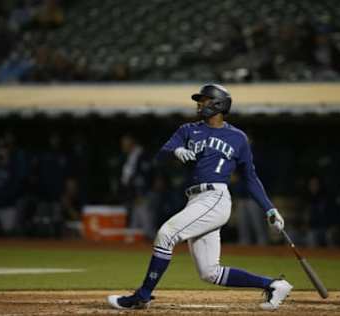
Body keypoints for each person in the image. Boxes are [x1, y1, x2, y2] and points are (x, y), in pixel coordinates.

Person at [107, 84, 292, 310]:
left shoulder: (238, 137)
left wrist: (269, 209)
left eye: (204, 100)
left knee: (166, 234)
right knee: (209, 272)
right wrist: (176, 151)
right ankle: (274, 285)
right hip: (195, 199)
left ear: (219, 104)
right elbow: (159, 156)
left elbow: (250, 178)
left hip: (215, 197)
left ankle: (142, 295)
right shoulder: (188, 130)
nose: (199, 104)